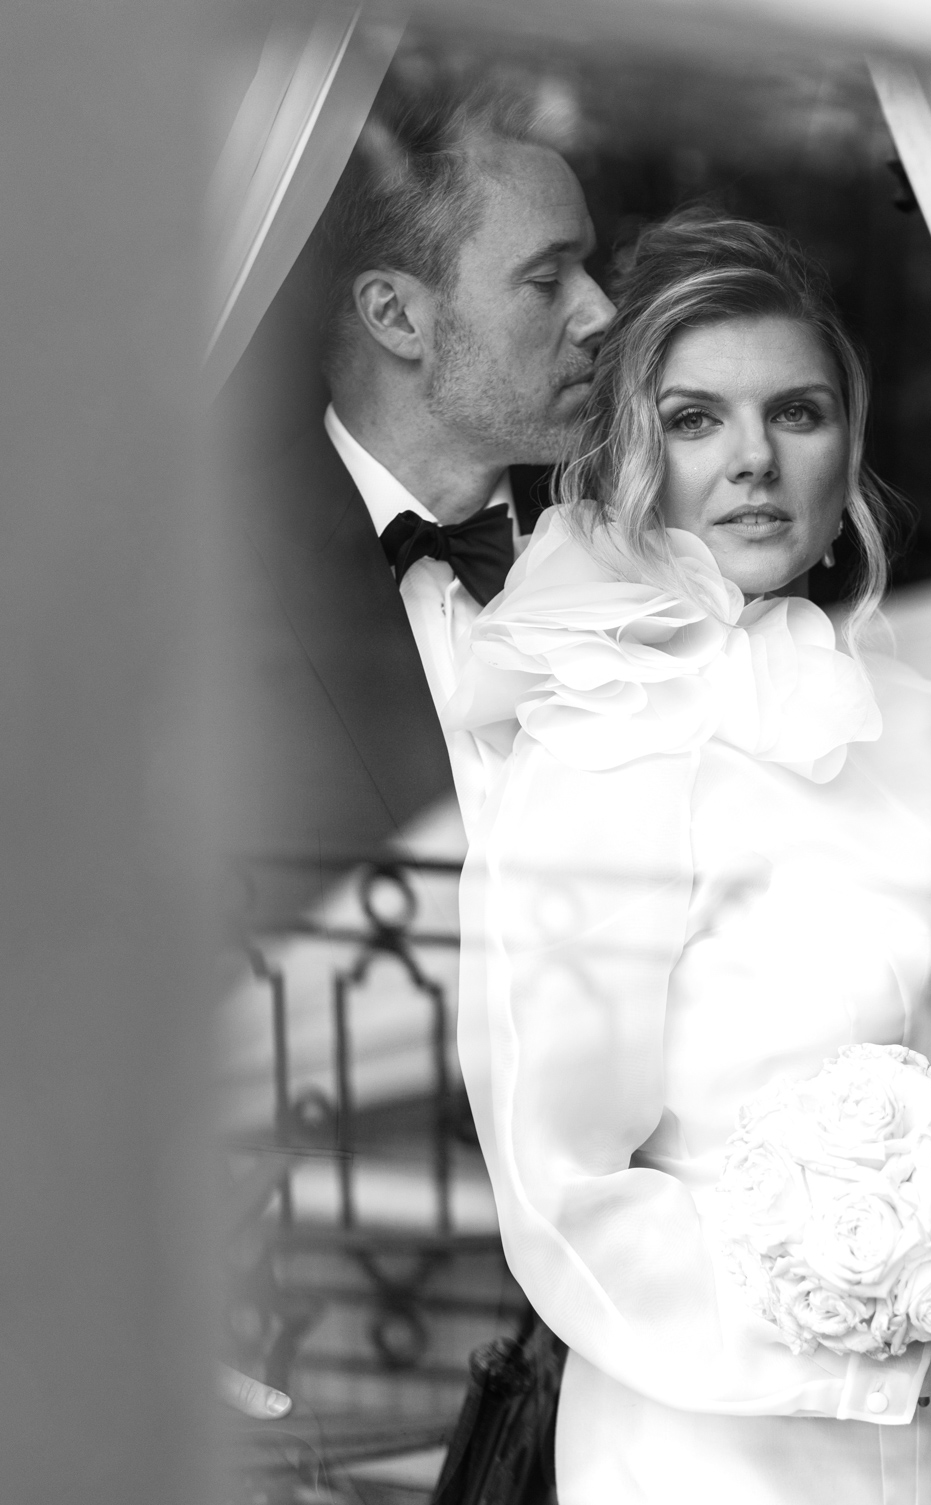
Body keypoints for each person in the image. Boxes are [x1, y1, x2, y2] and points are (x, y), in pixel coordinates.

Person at [450, 211, 931, 1505]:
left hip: (921, 1428)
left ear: (846, 448)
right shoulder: (601, 754)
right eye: (696, 419)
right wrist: (829, 1315)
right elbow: (559, 1182)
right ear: (636, 455)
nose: (753, 459)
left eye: (797, 412)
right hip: (701, 1446)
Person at [224, 79, 613, 921]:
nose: (602, 312)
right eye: (548, 279)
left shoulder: (634, 530)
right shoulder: (215, 576)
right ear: (396, 316)